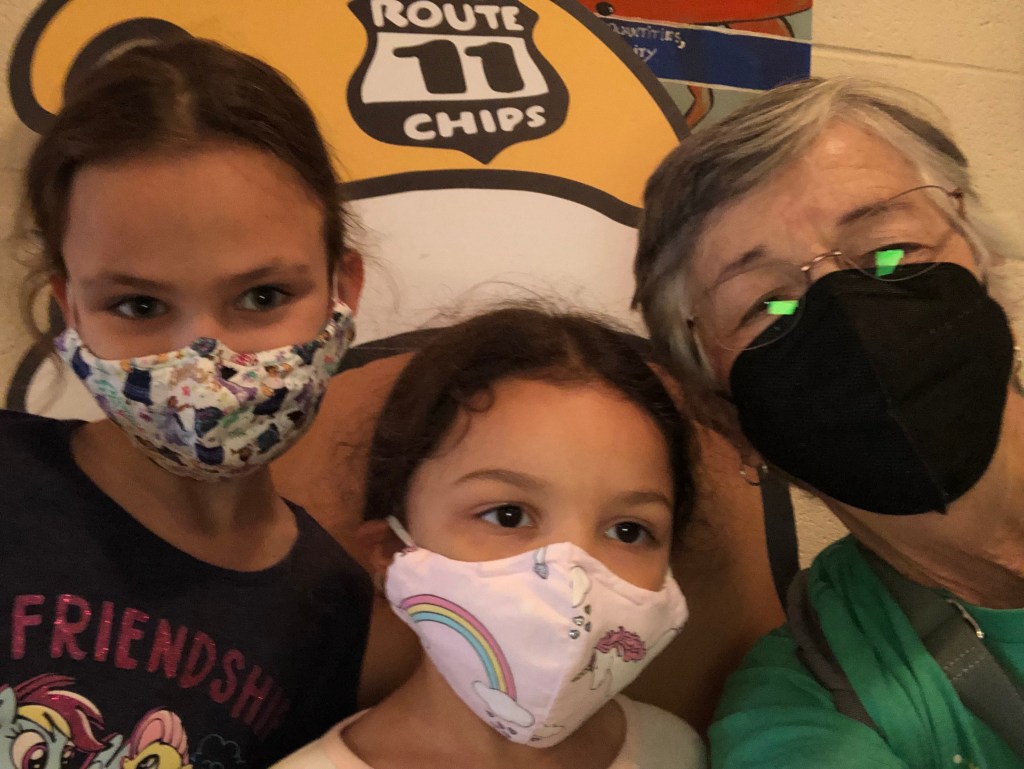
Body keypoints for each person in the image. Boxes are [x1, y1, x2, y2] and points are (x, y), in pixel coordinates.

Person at [1, 38, 376, 768]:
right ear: (70, 309)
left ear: (343, 289)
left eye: (262, 296)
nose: (204, 369)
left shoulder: (331, 612)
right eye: (139, 305)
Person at [632, 76, 1024, 768]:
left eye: (891, 252)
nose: (854, 320)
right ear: (727, 414)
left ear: (983, 261)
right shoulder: (805, 706)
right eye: (768, 306)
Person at [271, 306, 707, 769]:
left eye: (628, 530)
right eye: (508, 515)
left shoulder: (677, 750)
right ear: (394, 551)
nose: (572, 577)